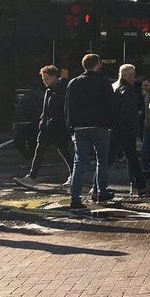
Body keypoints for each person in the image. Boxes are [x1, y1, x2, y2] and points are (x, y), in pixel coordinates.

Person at [65, 52, 116, 210]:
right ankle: (101, 191)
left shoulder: (73, 83)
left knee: (79, 163)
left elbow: (68, 107)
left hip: (80, 127)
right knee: (102, 161)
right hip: (100, 126)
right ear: (96, 65)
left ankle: (75, 198)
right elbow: (111, 105)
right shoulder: (104, 82)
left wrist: (71, 127)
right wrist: (111, 124)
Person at [14, 65, 74, 188]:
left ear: (53, 77)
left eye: (46, 78)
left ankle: (33, 177)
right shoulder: (49, 90)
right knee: (42, 151)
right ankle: (32, 177)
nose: (44, 81)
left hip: (58, 127)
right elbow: (46, 109)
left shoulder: (62, 90)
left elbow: (62, 110)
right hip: (48, 126)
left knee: (62, 151)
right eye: (43, 78)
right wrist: (42, 121)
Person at [111, 64, 146, 196]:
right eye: (133, 75)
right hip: (125, 130)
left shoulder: (113, 87)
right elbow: (129, 112)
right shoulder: (128, 90)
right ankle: (140, 186)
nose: (134, 78)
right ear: (129, 76)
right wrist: (134, 128)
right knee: (132, 158)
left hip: (114, 128)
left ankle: (97, 187)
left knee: (107, 159)